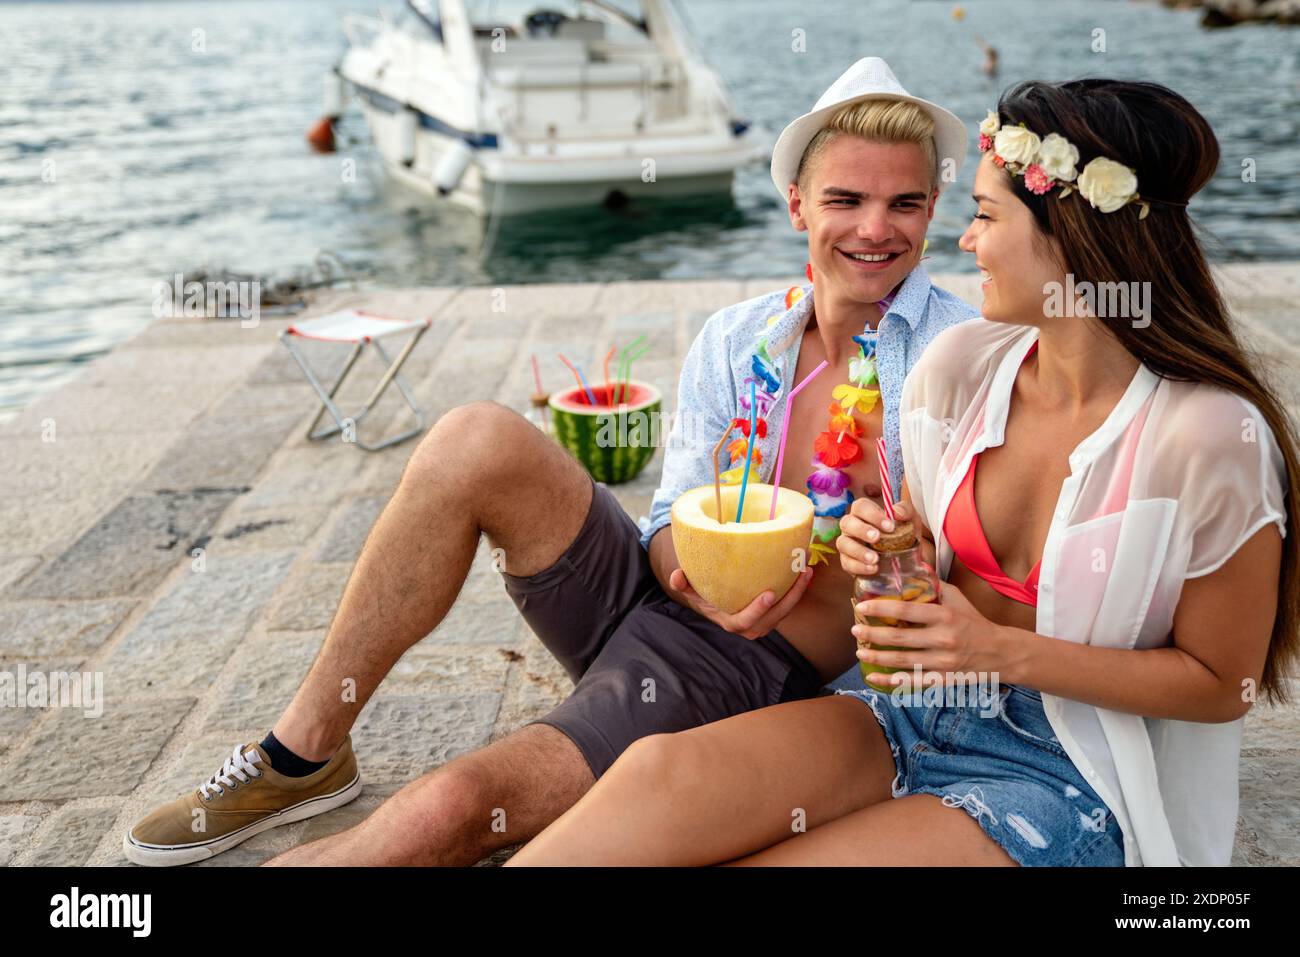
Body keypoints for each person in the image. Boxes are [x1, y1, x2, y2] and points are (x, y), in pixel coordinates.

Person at [122, 57, 978, 867]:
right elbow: (667, 520)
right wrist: (693, 571)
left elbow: (978, 578)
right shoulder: (739, 337)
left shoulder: (956, 358)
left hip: (751, 671)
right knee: (474, 437)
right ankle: (304, 751)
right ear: (796, 204)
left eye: (904, 202)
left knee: (451, 805)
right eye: (846, 199)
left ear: (934, 208)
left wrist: (889, 560)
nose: (876, 228)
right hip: (664, 608)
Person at [506, 78, 1298, 868]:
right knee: (656, 777)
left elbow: (1219, 683)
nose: (964, 242)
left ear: (1072, 238)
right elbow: (916, 555)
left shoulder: (1209, 436)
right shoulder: (961, 366)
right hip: (902, 712)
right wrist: (881, 549)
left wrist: (994, 650)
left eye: (985, 215)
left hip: (1071, 772)